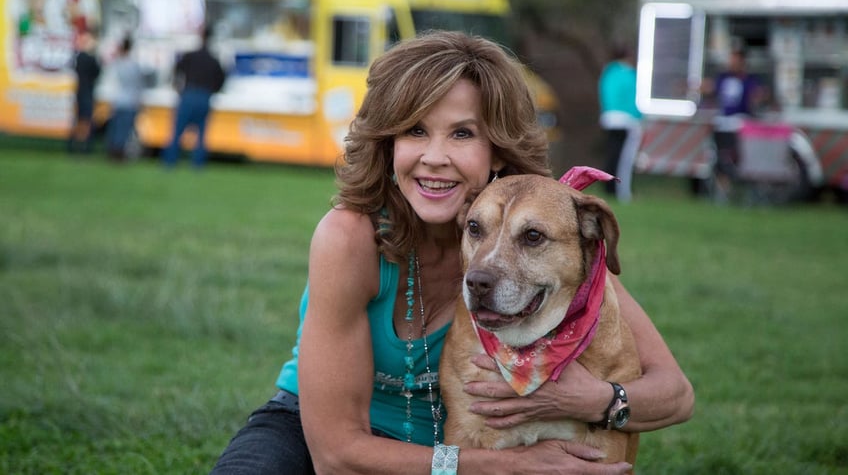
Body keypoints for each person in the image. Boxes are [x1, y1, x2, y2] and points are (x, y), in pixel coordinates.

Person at [210, 31, 694, 475]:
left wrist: (593, 400)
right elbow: (336, 455)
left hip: (456, 445)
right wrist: (512, 465)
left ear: (497, 149)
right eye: (415, 131)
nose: (435, 156)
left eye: (462, 133)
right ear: (388, 143)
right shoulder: (349, 237)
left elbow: (675, 394)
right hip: (323, 436)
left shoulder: (554, 247)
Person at [701, 47, 763, 196]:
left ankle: (744, 187)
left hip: (741, 125)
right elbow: (709, 89)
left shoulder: (750, 80)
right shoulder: (723, 77)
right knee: (720, 155)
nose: (731, 63)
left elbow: (758, 96)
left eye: (734, 60)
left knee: (741, 157)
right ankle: (723, 188)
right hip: (723, 125)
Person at [162, 26, 226, 168]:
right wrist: (212, 90)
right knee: (202, 134)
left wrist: (177, 86)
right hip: (204, 95)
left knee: (177, 131)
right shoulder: (214, 60)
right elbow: (221, 80)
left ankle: (169, 162)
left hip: (189, 94)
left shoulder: (190, 56)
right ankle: (198, 165)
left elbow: (176, 69)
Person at [598, 41, 642, 203]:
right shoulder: (630, 73)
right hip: (627, 120)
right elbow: (633, 99)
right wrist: (639, 118)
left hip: (609, 118)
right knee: (625, 159)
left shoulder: (608, 71)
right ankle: (622, 192)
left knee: (612, 155)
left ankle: (608, 187)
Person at [105, 36, 144, 161]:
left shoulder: (118, 63)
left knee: (116, 128)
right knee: (124, 129)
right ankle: (119, 153)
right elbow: (138, 84)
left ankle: (113, 151)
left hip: (119, 100)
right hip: (130, 101)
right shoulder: (134, 65)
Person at [67, 28, 101, 155]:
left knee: (79, 121)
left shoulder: (79, 58)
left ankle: (73, 146)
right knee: (85, 121)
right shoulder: (88, 58)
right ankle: (84, 147)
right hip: (86, 93)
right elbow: (97, 72)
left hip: (80, 92)